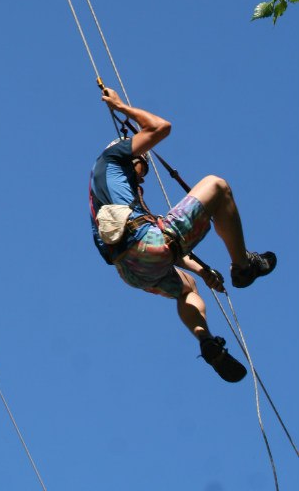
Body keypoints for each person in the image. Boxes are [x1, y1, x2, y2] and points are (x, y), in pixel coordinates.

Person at [90, 88, 276, 383]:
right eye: (142, 167)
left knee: (187, 288)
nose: (142, 175)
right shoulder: (113, 157)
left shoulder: (103, 194)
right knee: (217, 186)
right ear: (129, 153)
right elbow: (160, 127)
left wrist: (203, 272)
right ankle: (244, 266)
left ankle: (206, 340)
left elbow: (158, 250)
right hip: (145, 243)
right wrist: (120, 105)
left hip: (132, 270)